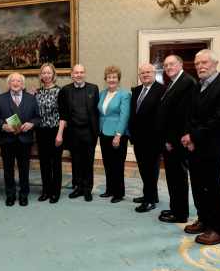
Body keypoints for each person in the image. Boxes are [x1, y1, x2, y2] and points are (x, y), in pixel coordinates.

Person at [181, 49, 220, 245]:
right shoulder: (197, 86)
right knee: (198, 187)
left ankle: (219, 230)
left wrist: (192, 135)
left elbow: (219, 119)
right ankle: (204, 220)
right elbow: (190, 116)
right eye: (197, 64)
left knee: (214, 189)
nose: (200, 67)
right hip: (194, 147)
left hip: (213, 148)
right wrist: (189, 138)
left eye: (204, 62)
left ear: (215, 63)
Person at [157, 55, 196, 224]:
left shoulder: (187, 82)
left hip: (176, 142)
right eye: (165, 65)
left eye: (172, 64)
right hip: (170, 140)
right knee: (172, 177)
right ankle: (175, 208)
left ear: (180, 64)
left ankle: (180, 214)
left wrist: (170, 140)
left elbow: (183, 116)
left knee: (178, 178)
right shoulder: (174, 82)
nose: (168, 67)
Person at [0, 72, 40, 207]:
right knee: (8, 169)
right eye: (12, 81)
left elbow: (37, 117)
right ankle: (10, 194)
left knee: (24, 169)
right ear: (9, 84)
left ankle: (24, 194)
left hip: (25, 140)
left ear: (23, 84)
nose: (15, 83)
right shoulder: (1, 98)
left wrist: (31, 124)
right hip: (7, 140)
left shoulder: (31, 98)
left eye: (18, 81)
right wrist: (3, 126)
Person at [57, 64, 99, 202]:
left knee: (88, 161)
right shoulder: (65, 90)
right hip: (73, 132)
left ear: (84, 74)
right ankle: (78, 187)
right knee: (76, 161)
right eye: (76, 72)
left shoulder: (93, 88)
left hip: (89, 132)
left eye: (81, 72)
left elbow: (96, 112)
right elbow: (62, 112)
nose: (79, 75)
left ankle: (87, 189)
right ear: (72, 75)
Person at [129, 64, 165, 212]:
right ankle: (150, 195)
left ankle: (150, 201)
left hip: (153, 139)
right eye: (142, 73)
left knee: (151, 171)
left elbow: (162, 117)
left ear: (154, 73)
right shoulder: (137, 90)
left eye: (148, 72)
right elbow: (134, 114)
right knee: (143, 170)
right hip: (138, 139)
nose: (145, 75)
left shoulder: (162, 90)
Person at [98, 66, 131, 203]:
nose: (111, 79)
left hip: (118, 134)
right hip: (103, 132)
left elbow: (124, 115)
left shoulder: (124, 94)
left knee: (117, 164)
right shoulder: (102, 93)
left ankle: (118, 193)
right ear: (106, 79)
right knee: (107, 163)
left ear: (118, 79)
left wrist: (118, 134)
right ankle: (109, 189)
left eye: (114, 77)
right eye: (109, 77)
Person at [34, 63, 63, 204]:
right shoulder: (37, 92)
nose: (46, 75)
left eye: (49, 73)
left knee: (55, 163)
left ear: (53, 75)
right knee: (44, 163)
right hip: (41, 132)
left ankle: (55, 192)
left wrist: (60, 134)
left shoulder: (60, 91)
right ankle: (46, 191)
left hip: (55, 131)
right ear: (41, 76)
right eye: (43, 73)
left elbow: (64, 115)